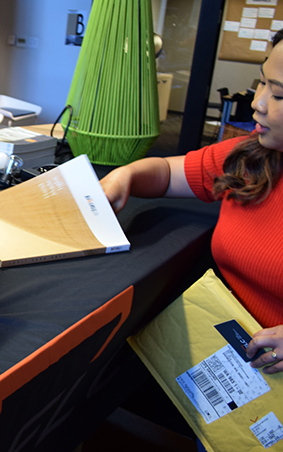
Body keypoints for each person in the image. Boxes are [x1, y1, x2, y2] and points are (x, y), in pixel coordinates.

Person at [100, 28, 283, 375]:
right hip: (228, 357)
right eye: (261, 82)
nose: (257, 102)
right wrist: (125, 176)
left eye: (278, 94)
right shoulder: (251, 155)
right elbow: (170, 173)